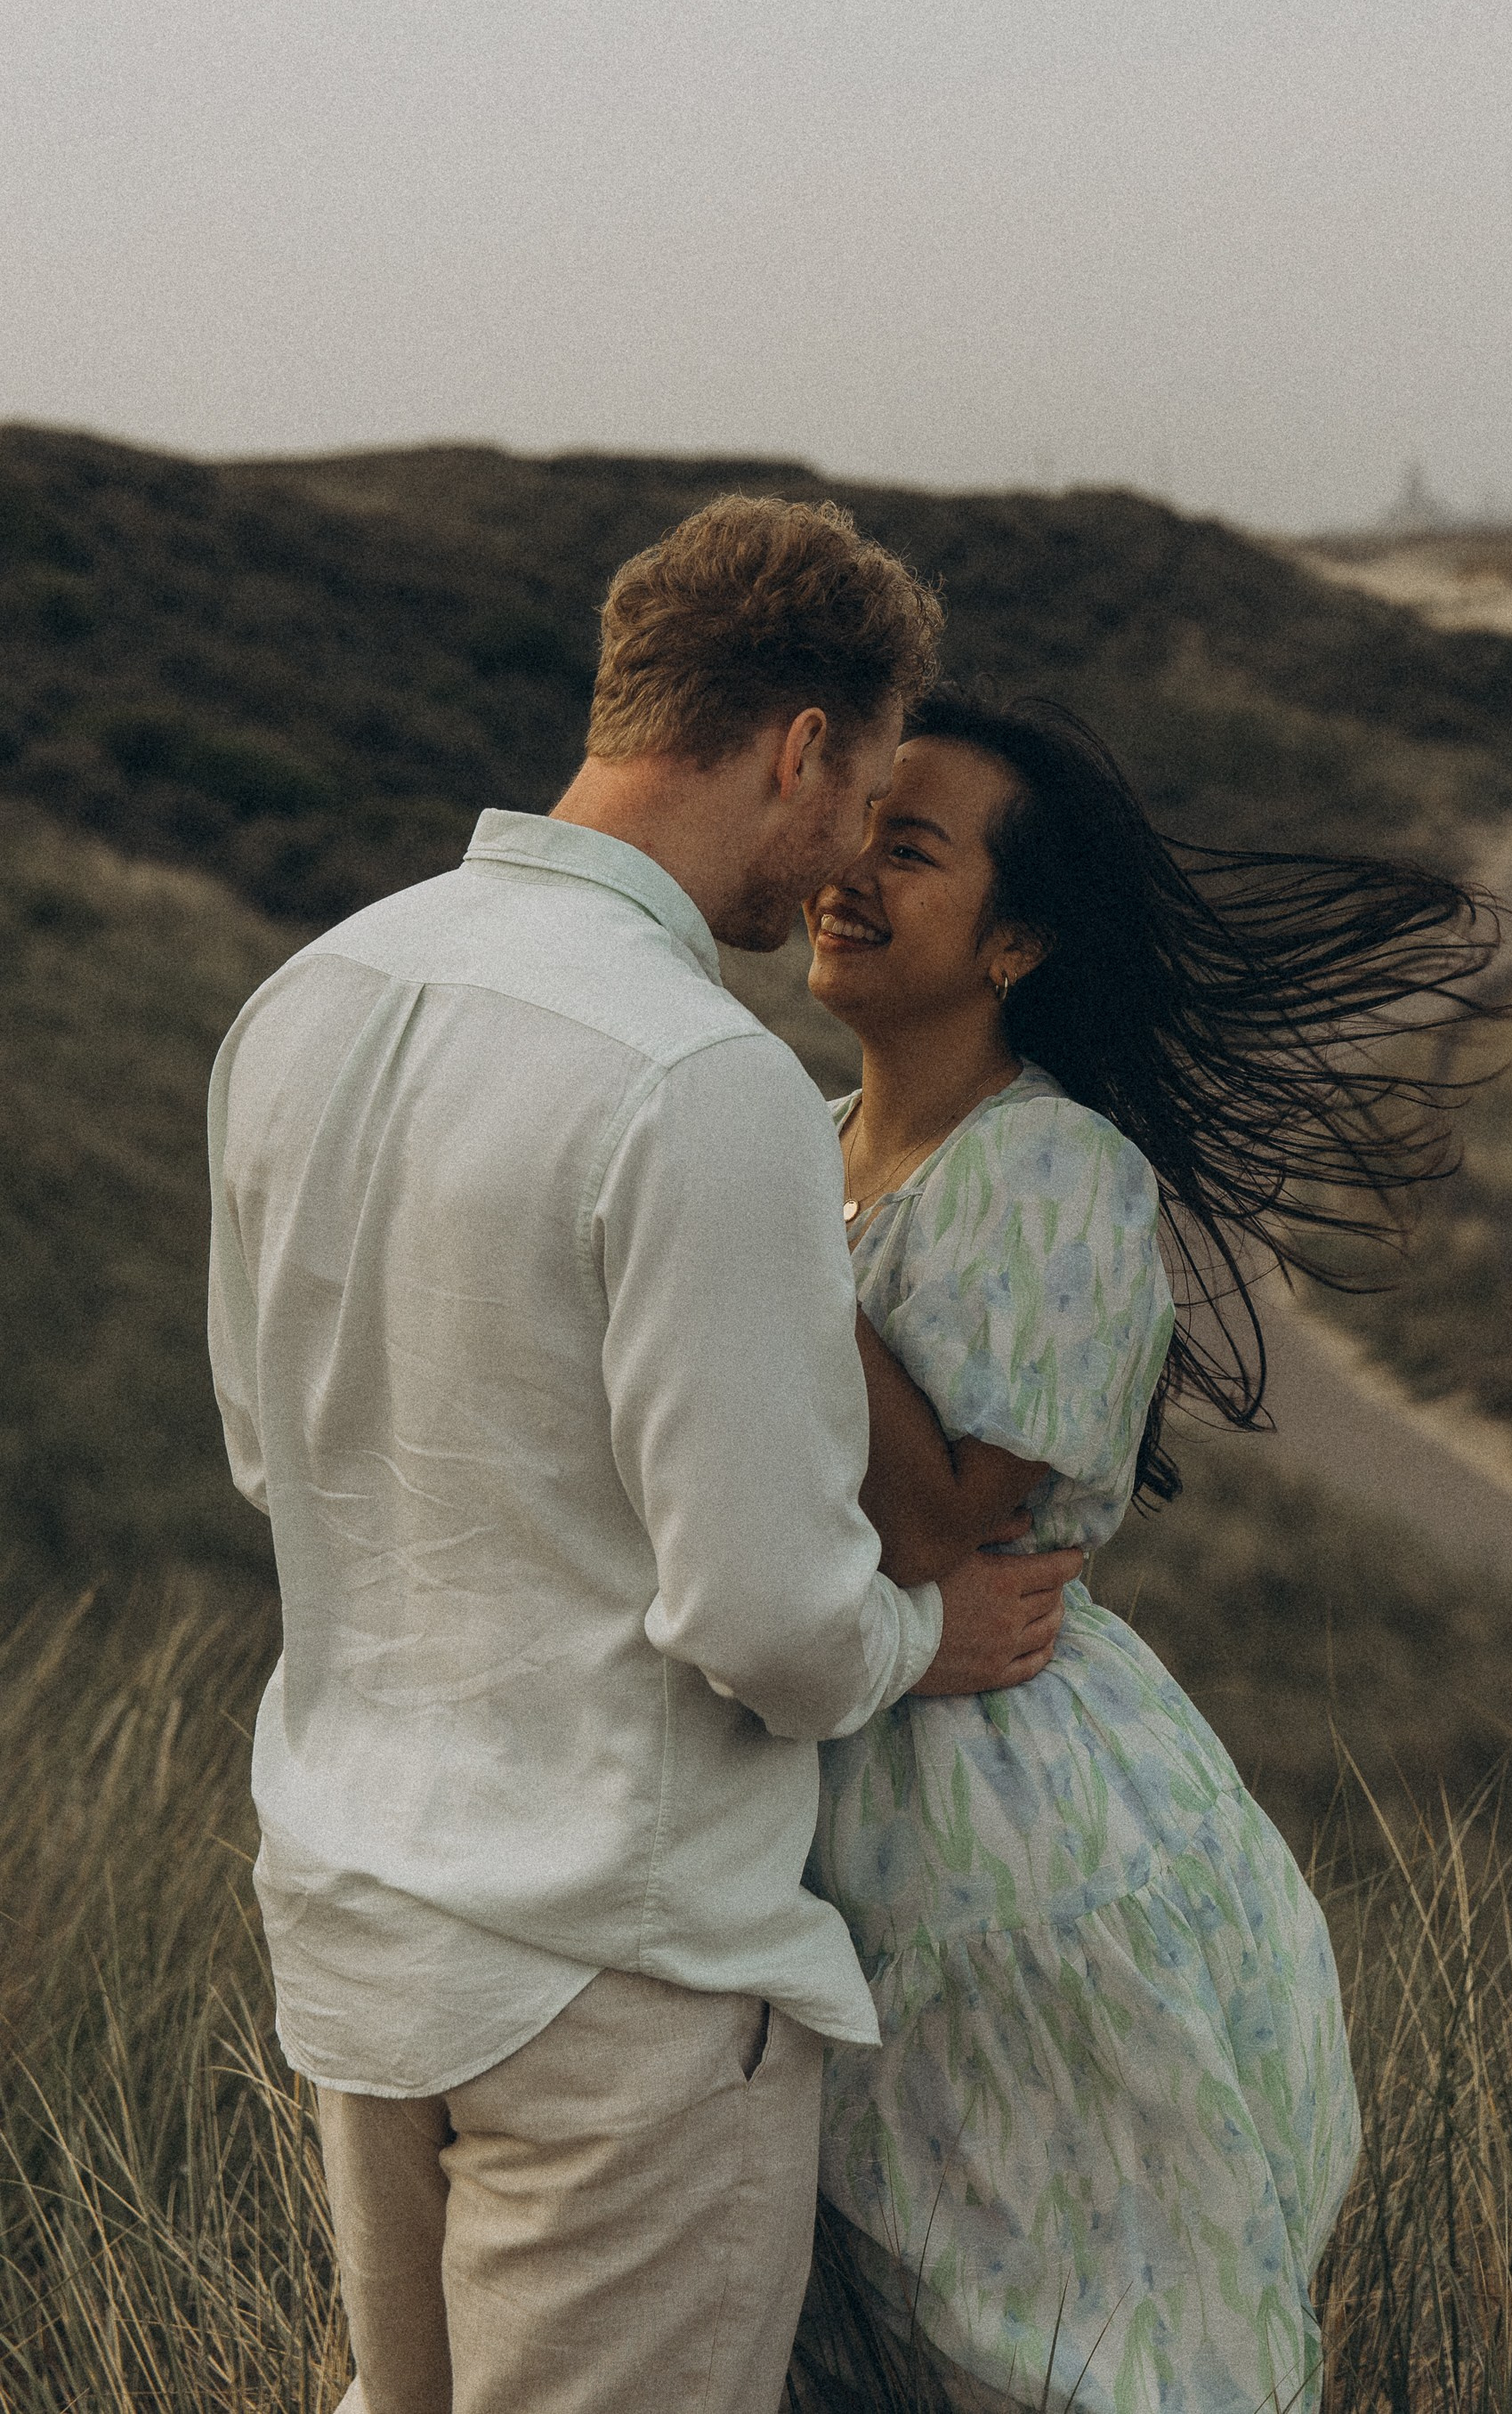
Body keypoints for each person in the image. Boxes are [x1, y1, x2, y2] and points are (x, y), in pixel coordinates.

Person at [206, 499, 1083, 2414]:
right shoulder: (702, 1080)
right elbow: (763, 1616)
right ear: (797, 749)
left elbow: (275, 1462)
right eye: (859, 791)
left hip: (360, 1932)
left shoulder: (307, 998)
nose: (855, 846)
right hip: (619, 1972)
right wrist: (929, 1634)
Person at [793, 693, 1489, 2414]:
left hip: (1001, 1826)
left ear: (1016, 937)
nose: (848, 874)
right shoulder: (801, 1150)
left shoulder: (1050, 1173)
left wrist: (750, 1253)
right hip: (825, 1776)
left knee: (1058, 2339)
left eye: (912, 847)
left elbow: (937, 1515)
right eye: (852, 825)